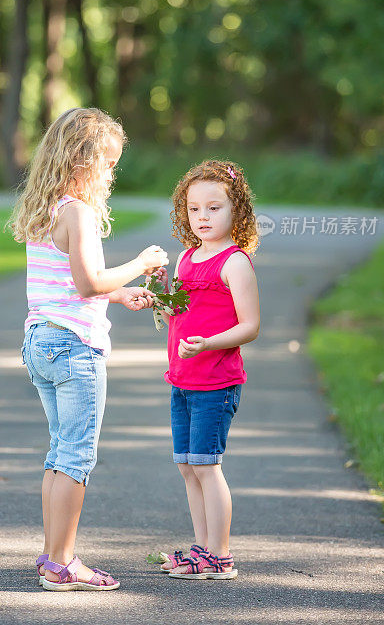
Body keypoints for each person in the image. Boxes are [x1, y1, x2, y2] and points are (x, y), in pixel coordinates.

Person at [10, 108, 168, 592]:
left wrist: (117, 295)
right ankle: (63, 563)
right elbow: (86, 282)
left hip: (41, 340)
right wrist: (140, 264)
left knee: (59, 455)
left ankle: (52, 555)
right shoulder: (78, 212)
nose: (111, 174)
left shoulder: (48, 208)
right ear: (84, 160)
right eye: (108, 163)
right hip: (75, 348)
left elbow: (69, 284)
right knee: (76, 458)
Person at [157, 159, 260, 579]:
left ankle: (221, 555)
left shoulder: (235, 262)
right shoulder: (185, 258)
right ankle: (201, 549)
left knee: (207, 464)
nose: (203, 216)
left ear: (237, 210)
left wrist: (210, 344)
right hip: (183, 381)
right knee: (187, 465)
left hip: (216, 382)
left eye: (214, 208)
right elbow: (178, 315)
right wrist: (159, 296)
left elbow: (250, 326)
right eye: (194, 208)